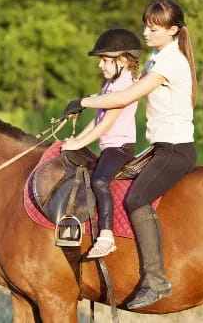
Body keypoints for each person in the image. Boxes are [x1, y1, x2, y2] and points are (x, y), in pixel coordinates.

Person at [64, 0, 198, 310]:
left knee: (136, 199)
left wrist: (83, 102)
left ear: (173, 31)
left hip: (175, 150)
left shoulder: (171, 62)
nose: (146, 33)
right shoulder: (155, 58)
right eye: (146, 26)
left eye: (154, 28)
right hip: (157, 148)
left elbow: (125, 96)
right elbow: (118, 93)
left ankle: (155, 279)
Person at [61, 28, 142, 259]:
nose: (100, 65)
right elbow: (97, 120)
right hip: (109, 147)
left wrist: (80, 144)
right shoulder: (111, 84)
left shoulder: (124, 86)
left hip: (120, 148)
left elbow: (106, 125)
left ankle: (106, 237)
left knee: (100, 181)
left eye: (105, 60)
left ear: (123, 60)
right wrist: (76, 140)